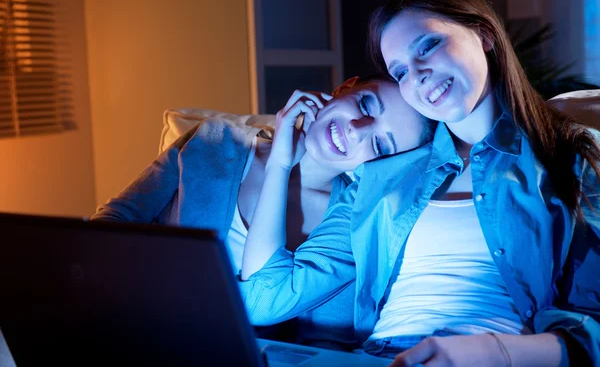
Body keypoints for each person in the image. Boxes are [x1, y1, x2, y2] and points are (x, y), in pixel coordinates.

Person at [239, 0, 600, 366]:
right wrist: (280, 160)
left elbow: (592, 322)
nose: (419, 75)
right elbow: (263, 298)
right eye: (400, 72)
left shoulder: (568, 156)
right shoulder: (379, 175)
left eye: (428, 45)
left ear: (484, 35)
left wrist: (495, 352)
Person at [91, 75, 432, 350]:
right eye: (365, 104)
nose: (356, 129)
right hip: (131, 327)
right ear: (344, 88)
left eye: (380, 145)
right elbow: (111, 224)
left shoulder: (353, 222)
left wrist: (281, 165)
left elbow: (269, 306)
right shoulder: (214, 140)